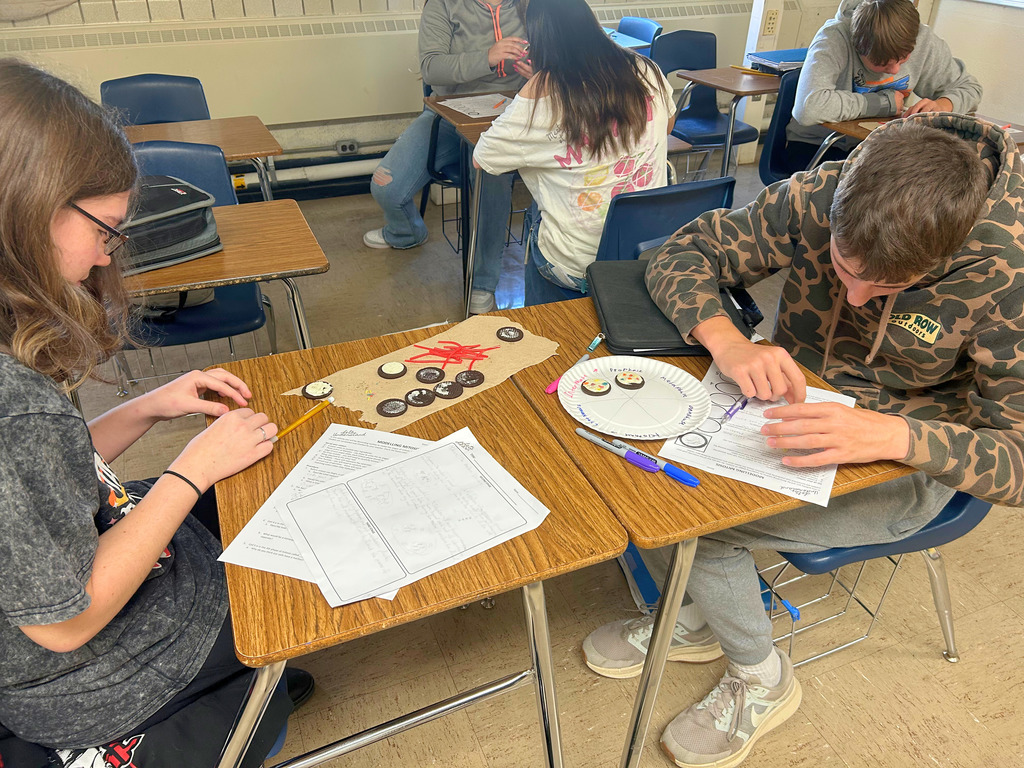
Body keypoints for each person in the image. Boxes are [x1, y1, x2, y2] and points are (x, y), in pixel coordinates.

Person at [583, 113, 1024, 768]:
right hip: (789, 405)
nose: (854, 294)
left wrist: (891, 434)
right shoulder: (824, 194)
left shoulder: (1008, 269)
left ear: (944, 258)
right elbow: (682, 253)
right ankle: (703, 611)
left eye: (888, 288)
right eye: (842, 267)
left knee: (700, 523)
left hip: (907, 452)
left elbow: (1015, 456)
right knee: (652, 461)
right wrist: (729, 341)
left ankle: (761, 678)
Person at [0, 59, 310, 762]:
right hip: (84, 675)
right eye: (106, 230)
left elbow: (44, 481)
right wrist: (190, 469)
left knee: (249, 512)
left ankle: (259, 674)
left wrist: (148, 406)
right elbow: (64, 623)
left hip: (84, 603)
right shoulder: (12, 405)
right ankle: (246, 681)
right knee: (294, 579)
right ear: (24, 206)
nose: (111, 254)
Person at [471, 0, 674, 305]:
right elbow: (668, 123)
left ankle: (548, 325)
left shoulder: (542, 97)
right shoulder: (646, 69)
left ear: (539, 39)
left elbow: (483, 158)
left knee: (535, 213)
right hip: (647, 250)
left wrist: (535, 85)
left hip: (579, 266)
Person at [364, 0, 530, 315]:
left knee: (487, 183)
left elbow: (569, 59)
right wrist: (487, 56)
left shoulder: (533, 4)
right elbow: (432, 68)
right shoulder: (443, 5)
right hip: (449, 115)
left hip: (514, 119)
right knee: (385, 186)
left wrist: (544, 73)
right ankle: (405, 232)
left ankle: (482, 284)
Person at [789, 0, 982, 154]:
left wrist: (944, 104)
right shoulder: (834, 38)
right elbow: (809, 107)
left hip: (883, 148)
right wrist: (881, 103)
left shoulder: (922, 39)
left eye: (903, 59)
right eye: (881, 63)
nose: (895, 70)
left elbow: (970, 88)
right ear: (858, 46)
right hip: (821, 145)